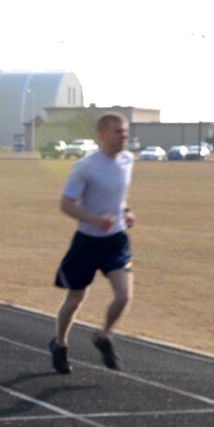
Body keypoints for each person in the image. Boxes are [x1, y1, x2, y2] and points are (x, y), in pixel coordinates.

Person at [50, 113, 136, 373]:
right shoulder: (85, 166)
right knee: (75, 298)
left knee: (124, 295)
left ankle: (104, 336)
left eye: (125, 131)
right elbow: (66, 204)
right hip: (88, 241)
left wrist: (125, 212)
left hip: (116, 240)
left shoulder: (128, 160)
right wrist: (94, 219)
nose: (124, 136)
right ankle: (60, 343)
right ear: (103, 135)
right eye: (118, 132)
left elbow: (117, 196)